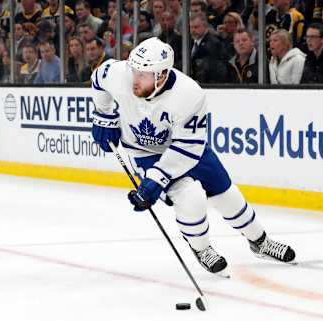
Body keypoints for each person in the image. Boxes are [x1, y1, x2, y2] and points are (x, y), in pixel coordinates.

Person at [89, 37, 296, 276]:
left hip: (189, 149)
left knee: (227, 194)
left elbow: (186, 147)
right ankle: (202, 248)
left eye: (143, 75)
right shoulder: (119, 74)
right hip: (145, 153)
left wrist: (155, 181)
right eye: (134, 71)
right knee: (191, 199)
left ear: (162, 75)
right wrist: (103, 115)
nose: (135, 79)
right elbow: (98, 79)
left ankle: (260, 241)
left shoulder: (189, 94)